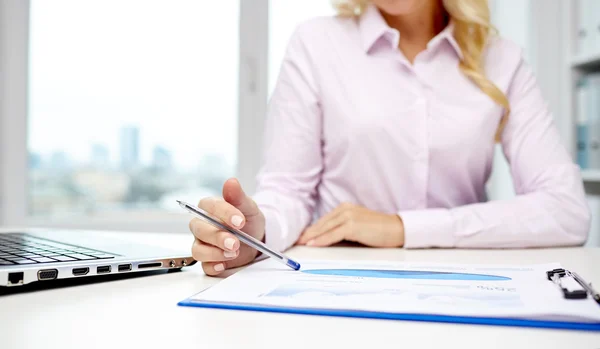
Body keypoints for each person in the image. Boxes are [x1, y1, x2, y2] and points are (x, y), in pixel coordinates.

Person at [188, 0, 591, 276]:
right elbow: (289, 191)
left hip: (462, 283)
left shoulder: (502, 59)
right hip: (337, 279)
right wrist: (255, 236)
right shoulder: (316, 43)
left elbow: (566, 211)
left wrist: (402, 228)